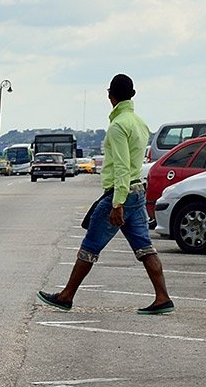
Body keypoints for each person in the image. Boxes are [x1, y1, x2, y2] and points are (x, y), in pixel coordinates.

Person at [37, 74, 174, 316]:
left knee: (90, 245)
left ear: (111, 96)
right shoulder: (140, 123)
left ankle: (66, 295)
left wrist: (117, 203)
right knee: (145, 247)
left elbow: (120, 166)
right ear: (132, 95)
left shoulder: (118, 126)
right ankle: (162, 297)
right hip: (137, 191)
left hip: (120, 194)